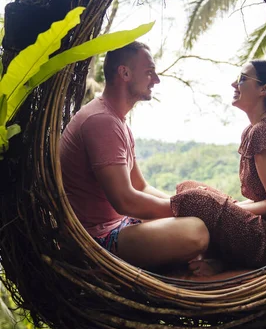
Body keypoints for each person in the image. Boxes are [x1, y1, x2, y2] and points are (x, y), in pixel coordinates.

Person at [60, 41, 209, 269]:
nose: (156, 80)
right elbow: (125, 200)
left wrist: (179, 205)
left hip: (121, 225)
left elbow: (140, 186)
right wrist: (184, 210)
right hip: (97, 239)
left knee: (195, 214)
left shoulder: (116, 120)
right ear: (125, 73)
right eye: (149, 72)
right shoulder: (101, 121)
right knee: (196, 231)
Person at [170, 60, 266, 270]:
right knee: (188, 187)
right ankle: (222, 259)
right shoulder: (255, 129)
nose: (233, 84)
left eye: (242, 79)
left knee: (195, 200)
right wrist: (227, 208)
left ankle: (139, 229)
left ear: (264, 89)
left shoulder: (265, 131)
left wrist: (228, 208)